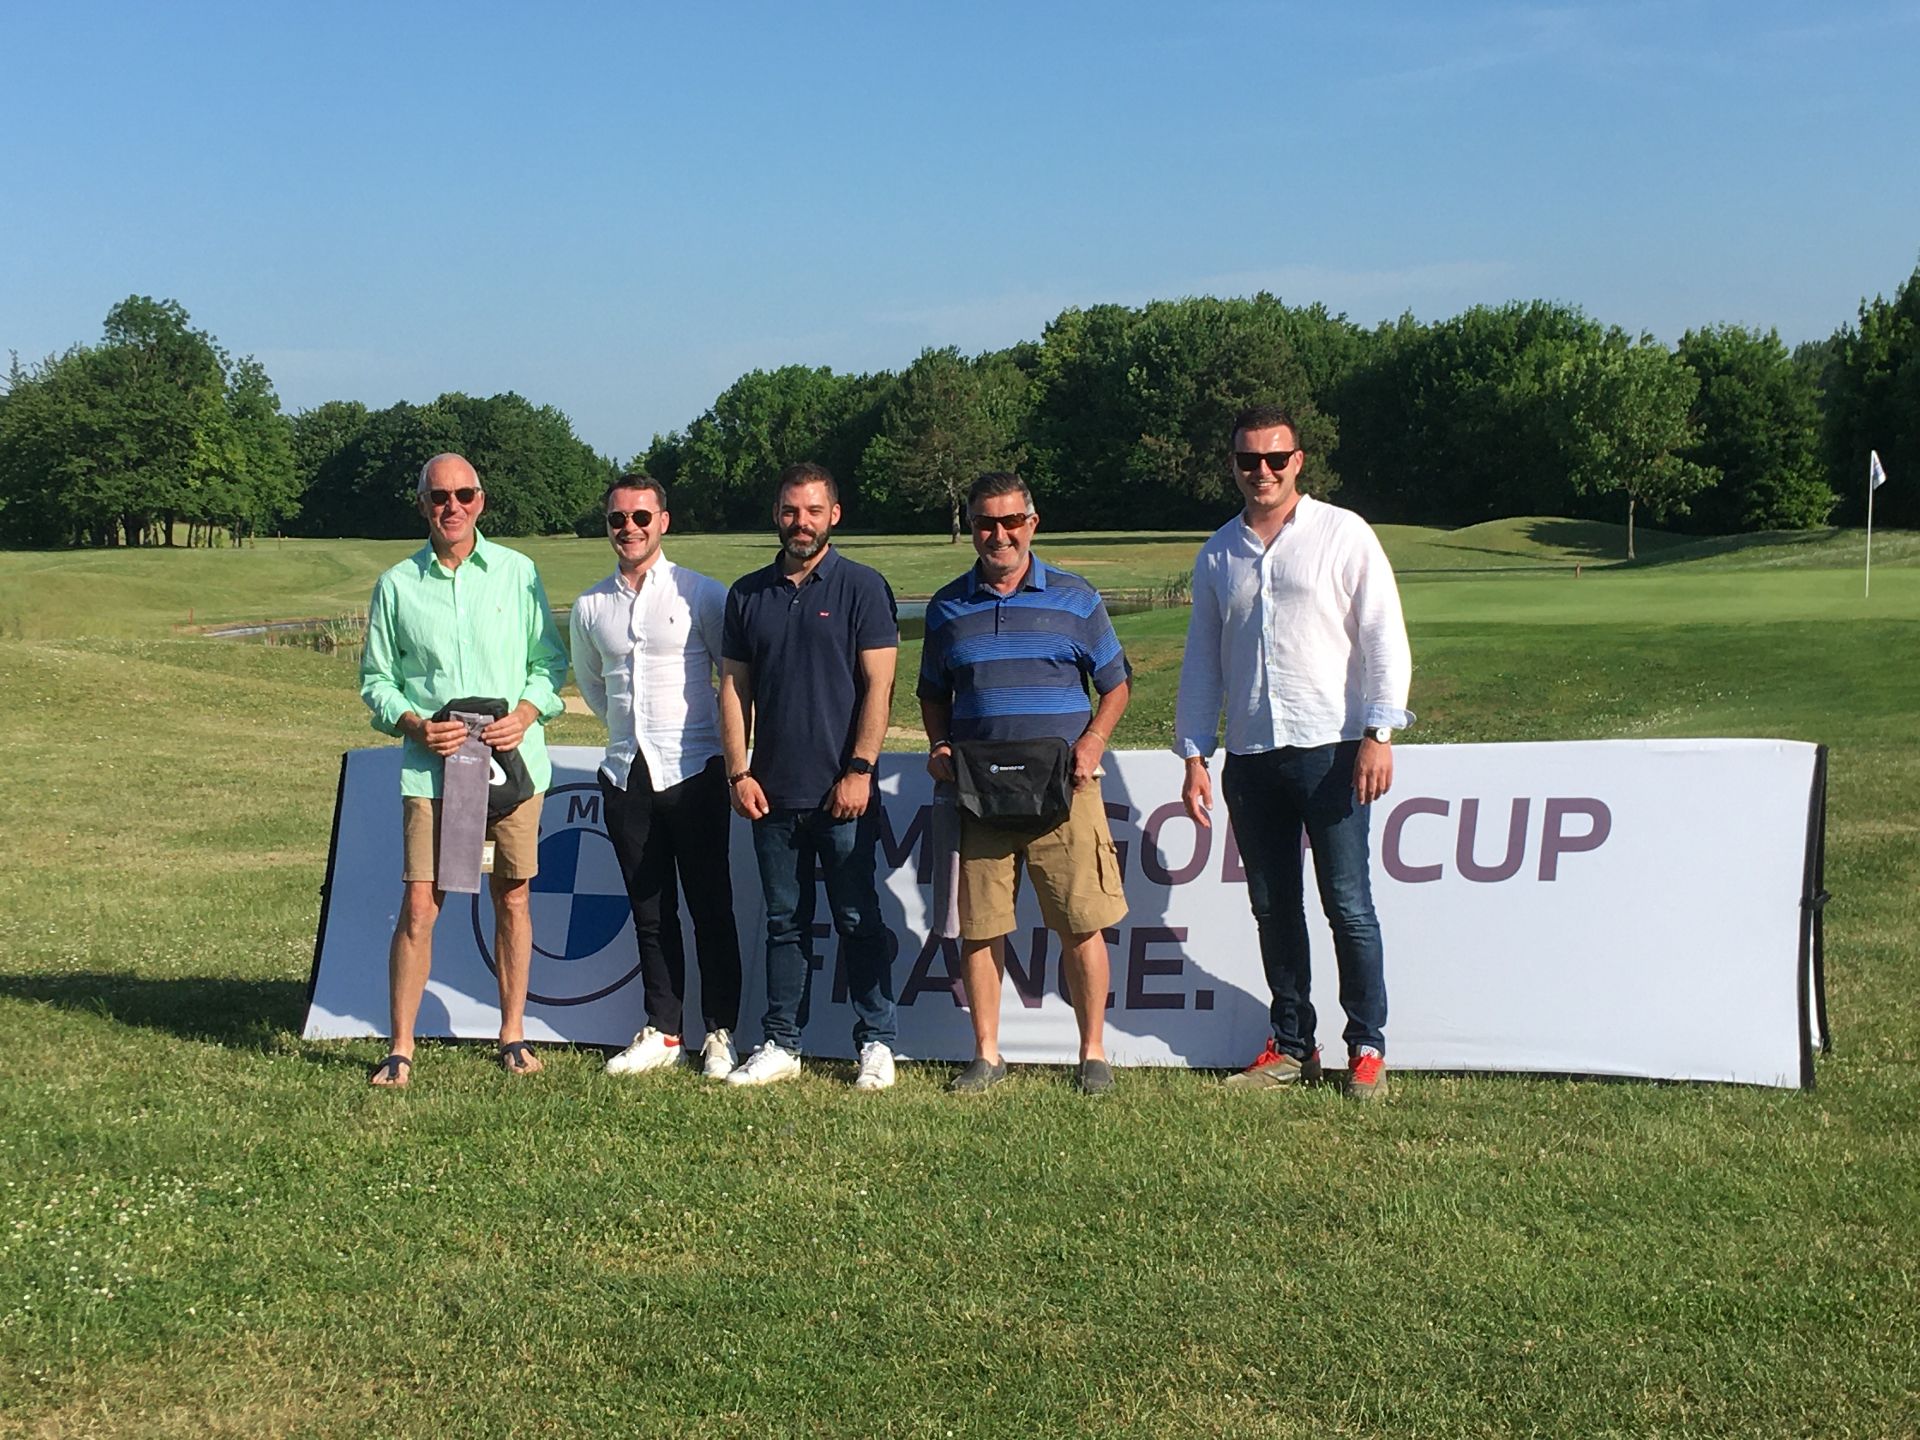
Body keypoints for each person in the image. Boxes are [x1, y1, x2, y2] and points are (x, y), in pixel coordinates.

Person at [1173, 404, 1414, 1101]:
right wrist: (1194, 755)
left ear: (1298, 461)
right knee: (1274, 909)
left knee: (1348, 905)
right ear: (1233, 466)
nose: (1263, 471)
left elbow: (1383, 635)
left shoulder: (1344, 532)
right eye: (1249, 460)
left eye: (1276, 458)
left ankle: (1366, 1046)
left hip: (1333, 749)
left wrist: (1379, 733)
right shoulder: (1218, 553)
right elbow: (1203, 662)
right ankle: (1291, 1044)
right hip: (1251, 756)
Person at [359, 453, 568, 1086]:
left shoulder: (518, 572)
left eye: (464, 495)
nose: (452, 506)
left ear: (481, 500)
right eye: (439, 496)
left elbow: (548, 662)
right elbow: (376, 680)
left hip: (512, 769)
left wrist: (526, 714)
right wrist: (415, 725)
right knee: (421, 906)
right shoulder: (397, 585)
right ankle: (400, 1047)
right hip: (434, 772)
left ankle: (513, 1033)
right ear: (421, 504)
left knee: (513, 896)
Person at [920, 472, 1132, 1096]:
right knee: (981, 927)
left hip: (1064, 789)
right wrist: (938, 745)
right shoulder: (945, 606)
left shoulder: (1077, 598)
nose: (1000, 534)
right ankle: (987, 1054)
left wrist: (1093, 741)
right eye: (986, 522)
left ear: (1032, 524)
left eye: (1012, 521)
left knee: (1081, 923)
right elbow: (932, 693)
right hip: (978, 793)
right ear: (971, 528)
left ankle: (1092, 1053)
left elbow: (1116, 685)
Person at [718, 462, 900, 1089]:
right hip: (771, 792)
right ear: (777, 514)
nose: (802, 522)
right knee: (784, 924)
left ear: (834, 516)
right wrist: (738, 771)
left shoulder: (862, 587)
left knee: (856, 917)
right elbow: (733, 689)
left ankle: (877, 1040)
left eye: (814, 511)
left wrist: (860, 769)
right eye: (791, 510)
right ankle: (781, 1043)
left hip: (844, 791)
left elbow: (879, 687)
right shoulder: (747, 594)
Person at [571, 474, 743, 1081]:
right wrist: (630, 739)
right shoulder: (591, 606)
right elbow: (594, 687)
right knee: (650, 913)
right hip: (626, 775)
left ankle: (720, 1032)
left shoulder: (702, 594)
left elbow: (732, 680)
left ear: (663, 521)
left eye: (641, 517)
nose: (629, 528)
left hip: (695, 770)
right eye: (618, 518)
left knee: (711, 909)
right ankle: (665, 1030)